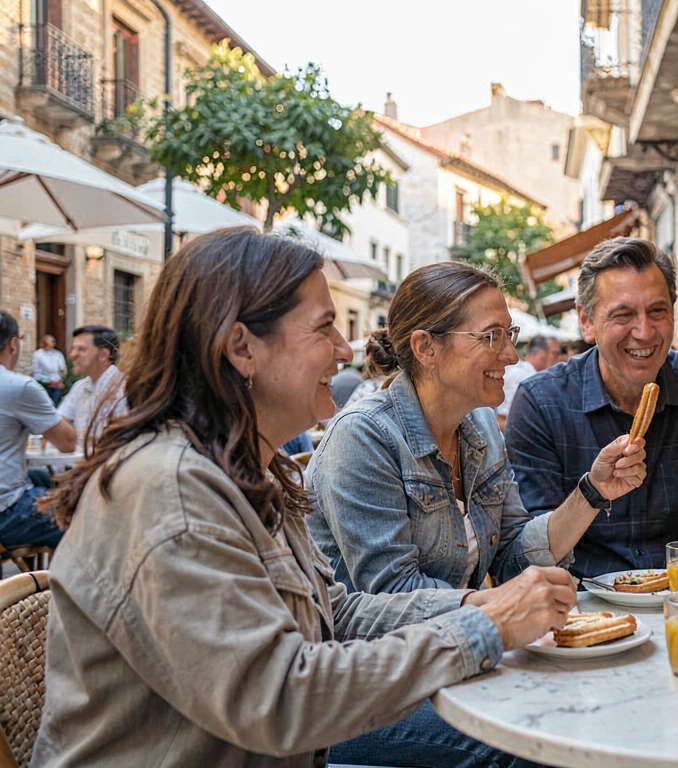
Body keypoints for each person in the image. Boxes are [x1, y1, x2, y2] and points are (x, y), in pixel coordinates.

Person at [32, 229, 580, 767]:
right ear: (242, 347)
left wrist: (472, 605)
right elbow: (278, 699)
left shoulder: (247, 468)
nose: (346, 351)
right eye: (324, 329)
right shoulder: (169, 490)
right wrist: (483, 628)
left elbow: (334, 612)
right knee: (532, 744)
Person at [307, 262, 645, 766]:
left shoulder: (481, 426)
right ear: (426, 349)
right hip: (362, 686)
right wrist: (502, 609)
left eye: (508, 333)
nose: (510, 353)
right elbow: (390, 598)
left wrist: (593, 492)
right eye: (491, 336)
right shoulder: (364, 437)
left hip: (451, 654)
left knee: (600, 700)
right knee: (535, 741)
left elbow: (511, 552)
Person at [507, 237, 678, 583]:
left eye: (657, 311)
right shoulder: (541, 402)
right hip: (582, 607)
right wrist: (591, 493)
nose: (643, 332)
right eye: (622, 315)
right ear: (586, 321)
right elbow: (528, 549)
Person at [0, 312, 75, 551]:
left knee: (53, 481)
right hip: (6, 512)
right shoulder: (17, 386)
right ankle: (57, 585)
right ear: (13, 344)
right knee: (86, 513)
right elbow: (67, 442)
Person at [57, 324, 128, 443]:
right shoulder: (79, 387)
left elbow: (117, 437)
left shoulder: (123, 388)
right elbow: (59, 423)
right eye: (73, 348)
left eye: (81, 349)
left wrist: (75, 436)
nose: (72, 355)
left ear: (103, 355)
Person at [497, 334, 562, 430]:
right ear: (540, 355)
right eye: (555, 354)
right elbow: (505, 420)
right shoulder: (521, 375)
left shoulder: (530, 374)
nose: (558, 359)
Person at [31, 333, 66, 405]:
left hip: (57, 385)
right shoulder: (38, 355)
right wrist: (47, 382)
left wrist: (61, 380)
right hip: (45, 385)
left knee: (57, 405)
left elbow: (63, 369)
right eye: (51, 341)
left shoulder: (57, 354)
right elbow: (36, 372)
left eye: (54, 341)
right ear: (45, 342)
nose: (53, 342)